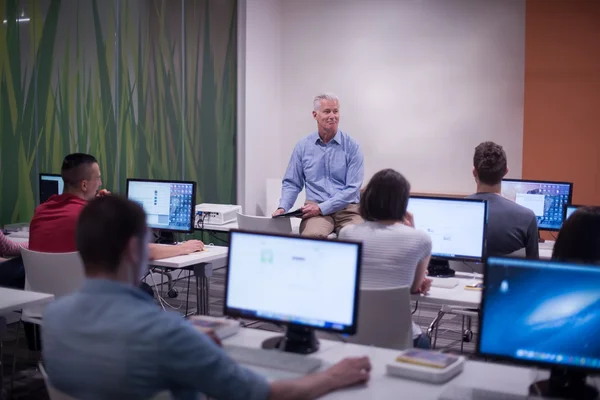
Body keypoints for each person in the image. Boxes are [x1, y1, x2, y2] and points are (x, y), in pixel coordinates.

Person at [42, 196, 372, 400]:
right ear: (133, 249)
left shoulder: (53, 318)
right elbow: (261, 394)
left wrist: (190, 344)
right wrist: (331, 376)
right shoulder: (165, 333)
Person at [29, 153, 204, 259]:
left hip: (44, 303)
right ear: (84, 185)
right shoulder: (91, 218)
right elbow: (144, 251)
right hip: (87, 303)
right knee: (143, 292)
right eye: (97, 178)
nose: (100, 183)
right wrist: (183, 248)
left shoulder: (41, 211)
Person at [338, 169, 433, 349]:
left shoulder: (347, 233)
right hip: (401, 339)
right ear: (403, 203)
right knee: (423, 340)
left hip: (352, 334)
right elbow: (413, 288)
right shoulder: (421, 239)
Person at [273, 93, 364, 238]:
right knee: (312, 237)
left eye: (336, 111)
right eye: (327, 111)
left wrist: (322, 208)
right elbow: (292, 182)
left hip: (347, 209)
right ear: (315, 115)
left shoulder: (352, 146)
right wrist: (283, 207)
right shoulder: (303, 146)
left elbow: (352, 189)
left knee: (359, 237)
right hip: (314, 208)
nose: (332, 116)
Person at [466, 142, 539, 258]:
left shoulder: (452, 212)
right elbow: (533, 269)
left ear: (474, 172)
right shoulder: (527, 217)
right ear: (506, 171)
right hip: (507, 276)